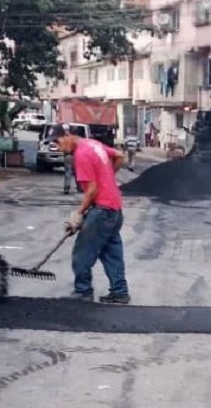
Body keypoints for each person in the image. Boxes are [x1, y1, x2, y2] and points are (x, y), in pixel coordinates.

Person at [45, 123, 131, 304]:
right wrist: (107, 177)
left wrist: (78, 215)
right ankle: (120, 292)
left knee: (82, 253)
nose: (58, 148)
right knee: (111, 252)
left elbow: (91, 191)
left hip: (102, 210)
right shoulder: (93, 144)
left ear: (67, 134)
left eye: (58, 142)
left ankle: (83, 291)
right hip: (115, 209)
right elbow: (119, 156)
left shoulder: (81, 155)